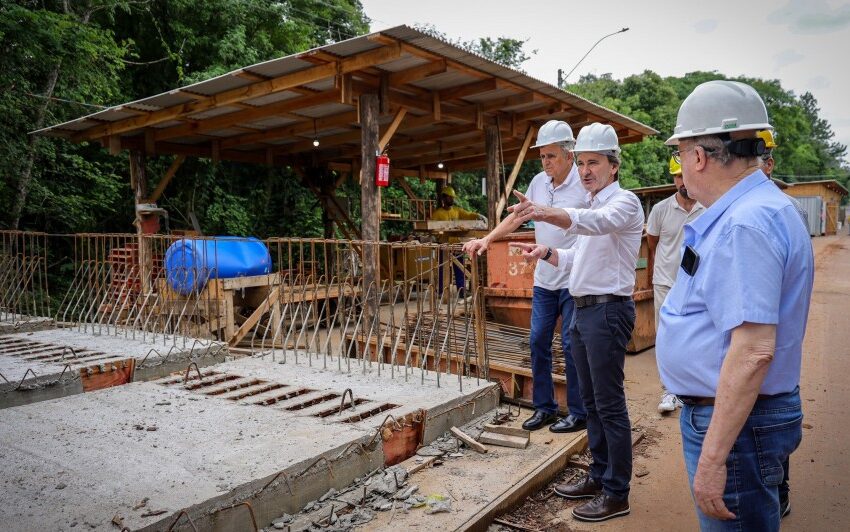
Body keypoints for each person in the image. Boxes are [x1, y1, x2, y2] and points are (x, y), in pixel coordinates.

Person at [656, 80, 814, 530]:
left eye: (680, 154)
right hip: (743, 416)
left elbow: (753, 351)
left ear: (699, 157)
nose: (681, 166)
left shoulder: (744, 225)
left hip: (738, 422)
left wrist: (712, 460)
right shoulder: (757, 209)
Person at [511, 122, 643, 523]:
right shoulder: (591, 206)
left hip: (607, 310)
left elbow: (593, 224)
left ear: (613, 166)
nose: (586, 170)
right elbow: (575, 260)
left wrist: (543, 211)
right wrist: (547, 253)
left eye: (595, 162)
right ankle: (599, 475)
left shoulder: (624, 203)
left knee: (610, 404)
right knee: (592, 403)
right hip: (584, 311)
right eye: (582, 163)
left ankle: (617, 492)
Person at [462, 120, 588, 433]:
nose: (545, 162)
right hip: (545, 280)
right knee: (537, 342)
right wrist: (487, 239)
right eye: (542, 156)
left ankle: (579, 412)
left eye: (551, 156)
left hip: (573, 278)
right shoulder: (537, 183)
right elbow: (517, 217)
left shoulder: (584, 185)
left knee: (573, 346)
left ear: (569, 156)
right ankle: (544, 408)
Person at [646, 156, 704, 414]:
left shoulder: (708, 206)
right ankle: (669, 390)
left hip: (697, 283)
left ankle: (693, 388)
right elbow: (652, 244)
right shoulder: (660, 209)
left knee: (696, 336)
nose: (683, 180)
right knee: (666, 337)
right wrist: (654, 274)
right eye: (678, 176)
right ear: (673, 179)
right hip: (666, 282)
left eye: (686, 174)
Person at [429, 185, 485, 297]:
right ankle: (441, 291)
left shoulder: (457, 211)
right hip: (443, 245)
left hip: (456, 244)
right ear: (444, 198)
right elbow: (432, 229)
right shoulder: (437, 214)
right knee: (442, 269)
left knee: (460, 268)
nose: (452, 199)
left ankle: (462, 291)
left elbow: (468, 214)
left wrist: (477, 215)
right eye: (450, 197)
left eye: (452, 197)